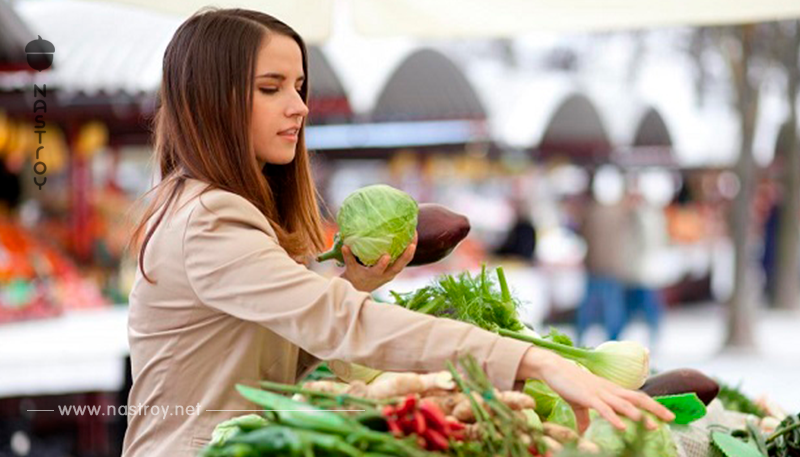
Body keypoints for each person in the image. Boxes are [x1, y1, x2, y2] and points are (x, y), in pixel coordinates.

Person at [121, 9, 673, 456]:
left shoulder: (212, 208)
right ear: (210, 101)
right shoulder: (211, 219)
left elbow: (274, 358)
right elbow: (342, 325)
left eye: (298, 86)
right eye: (271, 88)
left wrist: (352, 281)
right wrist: (533, 359)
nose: (300, 107)